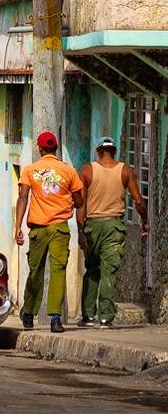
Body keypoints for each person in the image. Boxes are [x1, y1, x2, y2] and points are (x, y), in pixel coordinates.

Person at [15, 131, 83, 333]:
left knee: (35, 271)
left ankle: (28, 313)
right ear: (56, 148)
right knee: (58, 272)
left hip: (38, 229)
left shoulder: (30, 170)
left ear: (40, 148)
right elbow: (80, 202)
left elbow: (22, 198)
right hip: (60, 228)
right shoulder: (69, 171)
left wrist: (18, 227)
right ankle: (55, 319)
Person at [77, 137, 148, 328]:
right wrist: (145, 222)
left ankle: (88, 316)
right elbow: (139, 201)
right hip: (114, 227)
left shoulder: (87, 170)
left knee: (92, 270)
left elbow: (81, 206)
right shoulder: (124, 170)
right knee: (109, 272)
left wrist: (81, 232)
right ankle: (106, 318)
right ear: (114, 151)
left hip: (93, 225)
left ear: (99, 151)